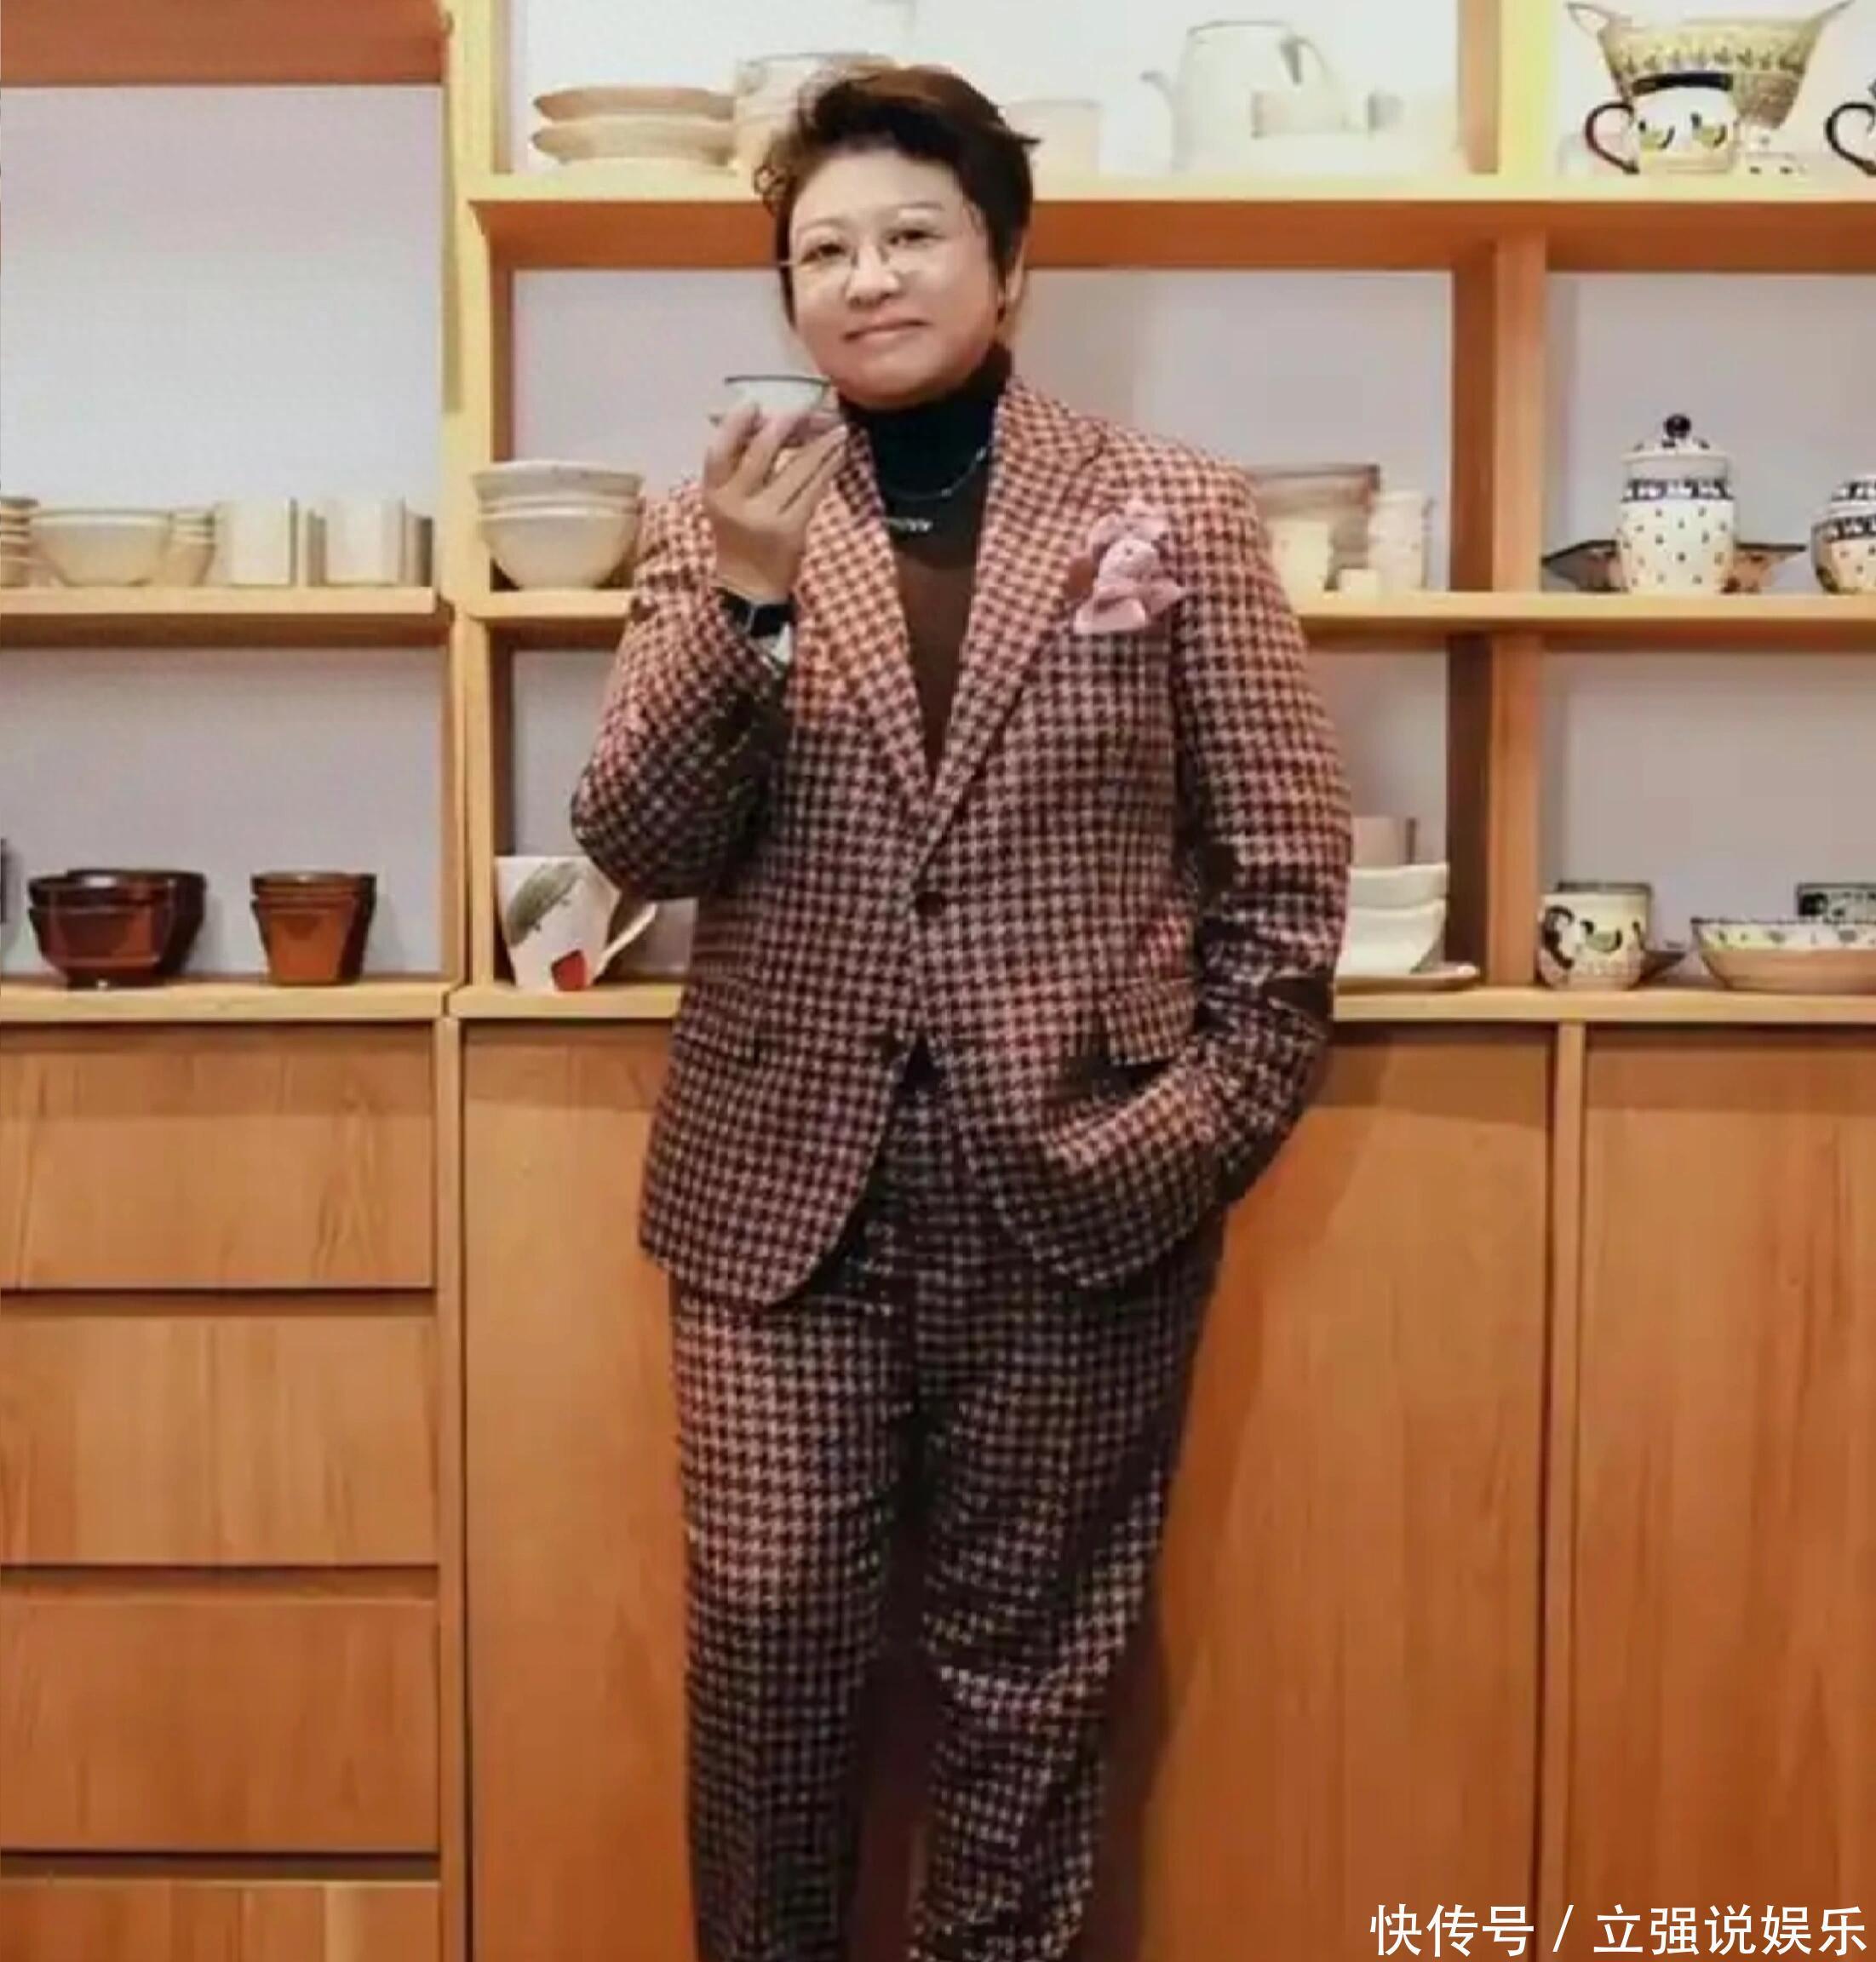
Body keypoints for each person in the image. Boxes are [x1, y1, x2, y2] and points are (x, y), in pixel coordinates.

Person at [571, 61, 1351, 1962]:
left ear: (1007, 264)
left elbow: (1284, 877)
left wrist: (1184, 1134)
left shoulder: (1171, 509)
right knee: (768, 1649)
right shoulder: (710, 522)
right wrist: (746, 606)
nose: (867, 277)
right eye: (822, 250)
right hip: (781, 1196)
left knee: (1031, 1675)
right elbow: (641, 840)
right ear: (787, 295)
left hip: (1084, 1186)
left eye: (911, 234)